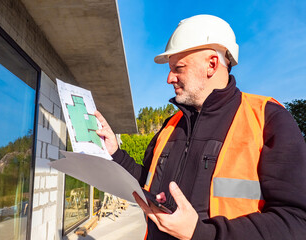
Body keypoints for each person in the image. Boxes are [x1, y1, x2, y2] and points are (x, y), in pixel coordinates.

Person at [95, 14, 306, 240]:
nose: (169, 78)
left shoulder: (268, 119)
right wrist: (115, 153)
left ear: (211, 64)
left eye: (179, 68)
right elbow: (145, 182)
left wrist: (201, 234)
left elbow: (296, 221)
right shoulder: (170, 126)